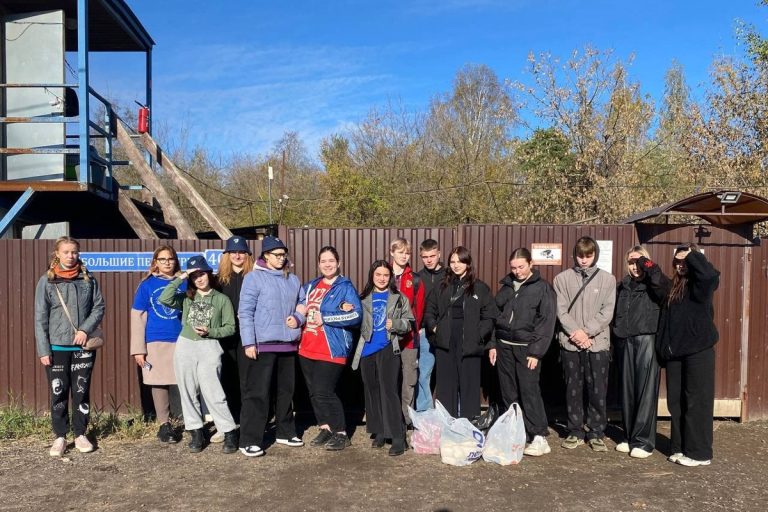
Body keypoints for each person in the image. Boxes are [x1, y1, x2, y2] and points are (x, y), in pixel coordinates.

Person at [646, 243, 719, 467]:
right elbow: (656, 279)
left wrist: (692, 255)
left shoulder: (701, 286)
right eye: (677, 261)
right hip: (676, 353)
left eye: (684, 261)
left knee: (697, 402)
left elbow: (708, 275)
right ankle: (679, 447)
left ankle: (699, 453)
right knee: (676, 403)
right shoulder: (673, 286)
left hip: (699, 351)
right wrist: (644, 263)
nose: (680, 265)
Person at [158, 255, 239, 454]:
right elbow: (164, 298)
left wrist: (211, 332)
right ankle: (196, 431)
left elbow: (230, 327)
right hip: (185, 345)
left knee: (213, 391)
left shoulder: (221, 299)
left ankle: (229, 431)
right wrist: (181, 276)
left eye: (202, 274)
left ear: (208, 274)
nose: (199, 279)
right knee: (187, 390)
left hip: (209, 346)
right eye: (194, 276)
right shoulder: (187, 297)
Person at [34, 236, 105, 456]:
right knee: (59, 393)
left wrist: (84, 329)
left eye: (74, 252)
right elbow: (40, 318)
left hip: (82, 348)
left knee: (81, 392)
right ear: (57, 254)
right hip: (57, 348)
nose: (70, 256)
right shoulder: (47, 281)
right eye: (66, 252)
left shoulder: (88, 279)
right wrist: (43, 350)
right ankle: (60, 436)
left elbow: (99, 307)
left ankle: (80, 433)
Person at [237, 236, 303, 457]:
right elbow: (245, 312)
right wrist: (248, 342)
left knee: (286, 392)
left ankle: (285, 432)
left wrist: (298, 318)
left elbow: (303, 303)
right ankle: (249, 439)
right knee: (258, 393)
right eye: (277, 254)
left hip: (288, 345)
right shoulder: (253, 279)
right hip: (262, 345)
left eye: (284, 254)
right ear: (265, 255)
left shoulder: (293, 279)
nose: (281, 258)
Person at [489, 247, 556, 457]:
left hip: (526, 349)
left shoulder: (543, 288)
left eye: (521, 267)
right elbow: (494, 316)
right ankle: (515, 432)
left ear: (530, 265)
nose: (517, 271)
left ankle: (539, 436)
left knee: (529, 390)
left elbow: (546, 322)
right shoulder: (506, 287)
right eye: (514, 267)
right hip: (503, 346)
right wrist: (492, 344)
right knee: (508, 391)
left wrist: (536, 352)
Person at [296, 246, 362, 451]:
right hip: (307, 347)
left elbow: (356, 316)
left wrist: (326, 317)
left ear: (338, 262)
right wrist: (299, 311)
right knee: (314, 392)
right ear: (318, 264)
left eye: (331, 261)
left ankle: (341, 432)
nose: (327, 264)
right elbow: (300, 303)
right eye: (323, 261)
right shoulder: (311, 286)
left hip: (331, 348)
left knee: (325, 391)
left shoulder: (345, 287)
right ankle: (325, 427)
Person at [553, 236, 616, 452]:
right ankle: (575, 430)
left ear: (595, 255)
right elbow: (560, 310)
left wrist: (586, 332)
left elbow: (607, 312)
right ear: (574, 255)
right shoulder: (561, 279)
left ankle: (597, 431)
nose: (584, 260)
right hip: (571, 343)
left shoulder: (608, 280)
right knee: (573, 388)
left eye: (588, 255)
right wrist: (576, 333)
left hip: (597, 343)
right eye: (580, 255)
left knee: (598, 389)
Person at [423, 246, 496, 419]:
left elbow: (489, 316)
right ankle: (447, 423)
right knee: (446, 385)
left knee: (469, 385)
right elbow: (429, 311)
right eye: (452, 261)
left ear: (468, 263)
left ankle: (470, 423)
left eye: (460, 261)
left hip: (470, 342)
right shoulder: (442, 286)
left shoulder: (480, 288)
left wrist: (478, 334)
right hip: (446, 340)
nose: (456, 265)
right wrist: (435, 328)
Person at [351, 260, 415, 456]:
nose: (381, 278)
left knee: (389, 391)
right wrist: (347, 308)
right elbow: (354, 320)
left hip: (388, 348)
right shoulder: (362, 299)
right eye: (378, 274)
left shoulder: (398, 298)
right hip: (366, 350)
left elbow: (409, 323)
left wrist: (394, 323)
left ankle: (398, 436)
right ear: (372, 275)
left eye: (386, 275)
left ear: (391, 277)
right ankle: (379, 431)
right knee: (372, 391)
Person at [612, 245, 669, 459]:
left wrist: (648, 265)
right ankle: (629, 436)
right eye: (630, 262)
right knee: (627, 390)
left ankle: (644, 441)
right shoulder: (622, 286)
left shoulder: (655, 283)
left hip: (647, 338)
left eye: (639, 262)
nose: (634, 267)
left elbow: (662, 286)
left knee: (645, 391)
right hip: (625, 340)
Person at [130, 245, 184, 444]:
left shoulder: (185, 283)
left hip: (182, 340)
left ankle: (188, 422)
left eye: (170, 259)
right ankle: (164, 425)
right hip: (155, 340)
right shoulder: (147, 285)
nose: (167, 262)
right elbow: (138, 317)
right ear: (155, 263)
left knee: (183, 381)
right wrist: (138, 349)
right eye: (162, 259)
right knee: (159, 382)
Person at [216, 235, 255, 430]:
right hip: (226, 337)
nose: (238, 255)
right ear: (227, 255)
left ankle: (249, 420)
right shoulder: (219, 280)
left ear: (247, 255)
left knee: (248, 379)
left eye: (241, 252)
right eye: (233, 252)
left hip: (249, 336)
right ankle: (231, 422)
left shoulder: (255, 276)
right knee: (228, 377)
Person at [389, 238, 424, 426]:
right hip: (386, 338)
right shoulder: (382, 274)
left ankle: (406, 419)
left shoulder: (415, 279)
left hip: (409, 339)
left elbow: (418, 312)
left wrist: (409, 330)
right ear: (392, 252)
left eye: (407, 252)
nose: (404, 256)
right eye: (400, 251)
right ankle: (390, 418)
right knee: (389, 379)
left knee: (409, 380)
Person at [415, 239, 445, 412]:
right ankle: (424, 414)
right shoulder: (418, 278)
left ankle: (448, 413)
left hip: (446, 332)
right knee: (423, 374)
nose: (429, 260)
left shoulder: (449, 275)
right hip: (425, 333)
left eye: (432, 255)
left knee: (447, 375)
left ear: (439, 254)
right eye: (425, 257)